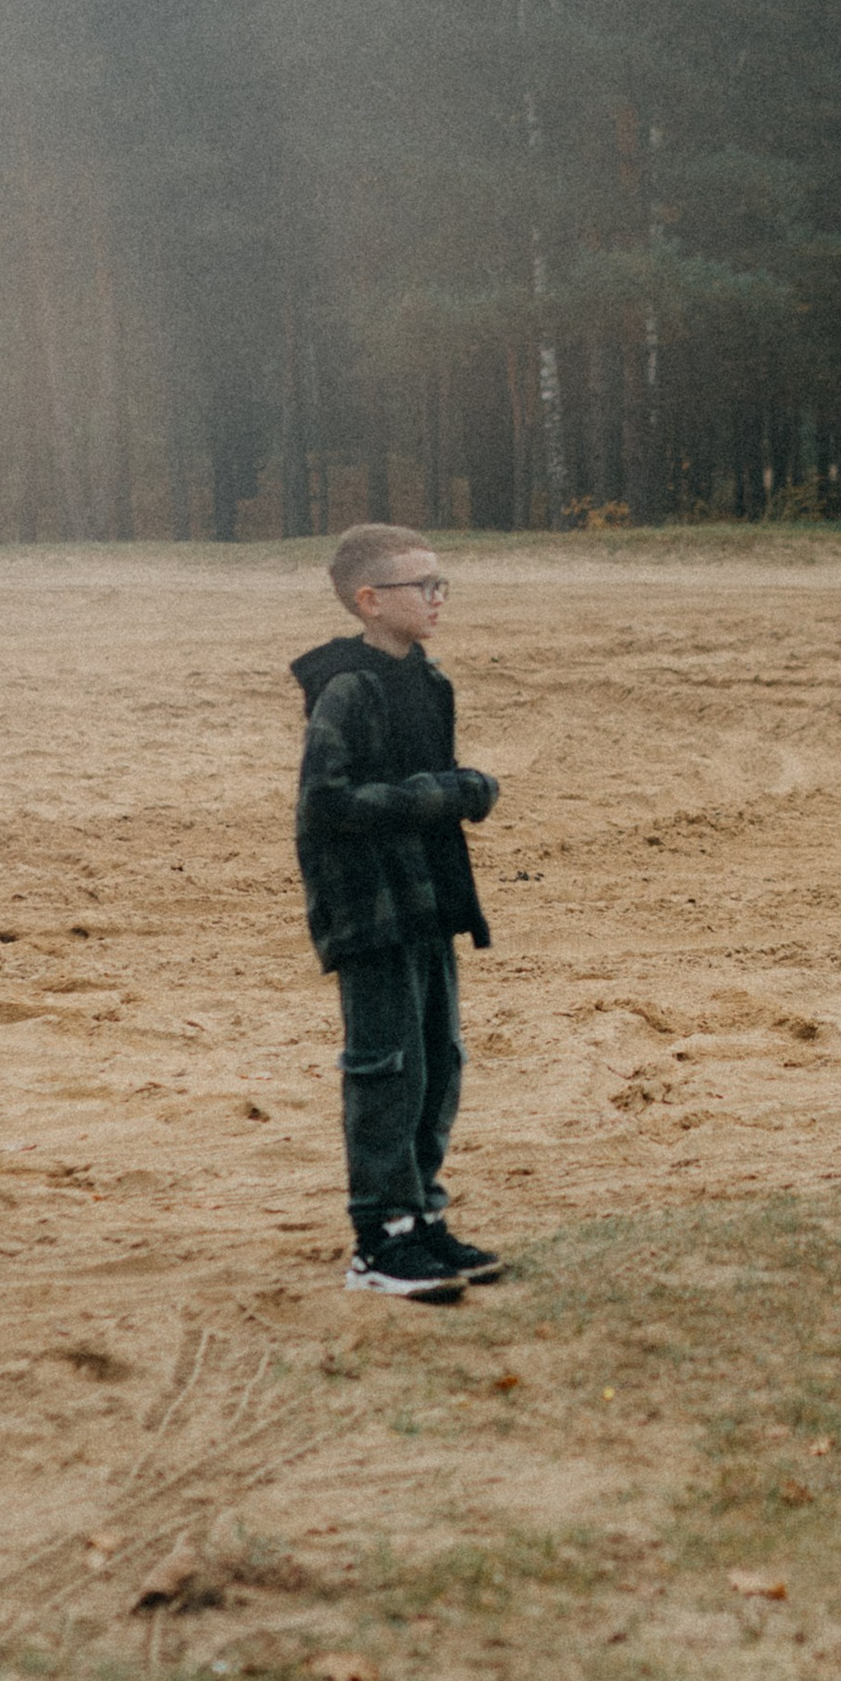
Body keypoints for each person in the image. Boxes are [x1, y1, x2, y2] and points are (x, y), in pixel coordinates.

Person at [293, 524, 505, 1302]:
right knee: (384, 1068)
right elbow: (325, 805)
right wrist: (446, 795)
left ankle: (419, 1219)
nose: (439, 598)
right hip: (368, 906)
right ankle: (377, 1239)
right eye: (425, 587)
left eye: (444, 584)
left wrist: (450, 795)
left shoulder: (429, 679)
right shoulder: (347, 687)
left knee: (436, 1059)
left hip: (426, 897)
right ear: (370, 600)